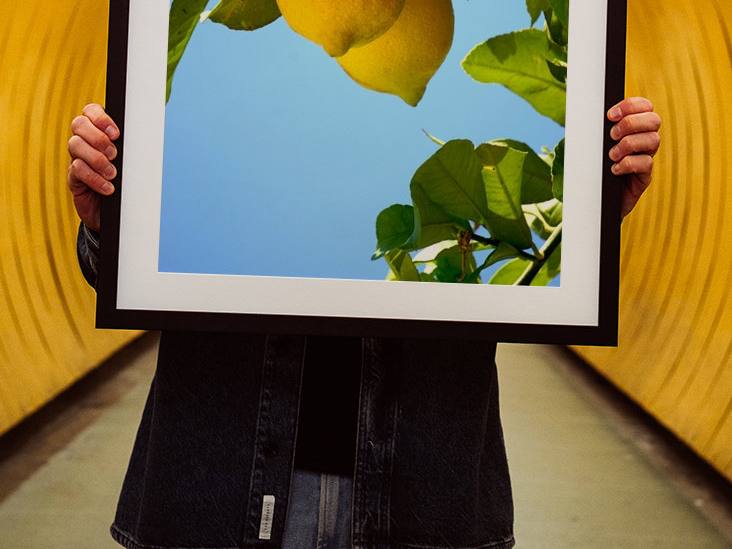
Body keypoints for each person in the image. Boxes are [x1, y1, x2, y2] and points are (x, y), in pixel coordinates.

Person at [68, 97, 661, 549]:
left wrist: (588, 218)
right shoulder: (213, 143)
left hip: (421, 496)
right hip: (219, 486)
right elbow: (119, 275)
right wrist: (108, 225)